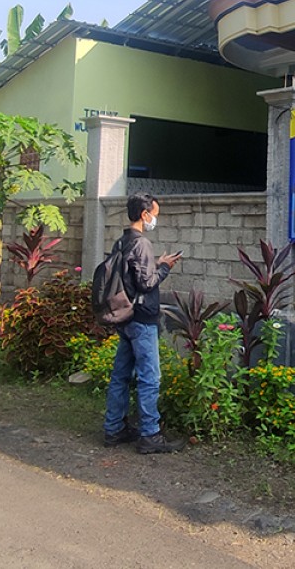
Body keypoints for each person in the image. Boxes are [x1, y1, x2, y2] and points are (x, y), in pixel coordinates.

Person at [102, 193, 185, 454]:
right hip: (142, 320)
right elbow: (146, 283)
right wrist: (165, 267)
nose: (155, 220)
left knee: (120, 375)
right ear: (144, 214)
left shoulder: (122, 241)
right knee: (150, 378)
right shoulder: (142, 244)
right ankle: (150, 434)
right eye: (154, 215)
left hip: (126, 317)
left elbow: (132, 275)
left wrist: (156, 263)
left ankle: (114, 428)